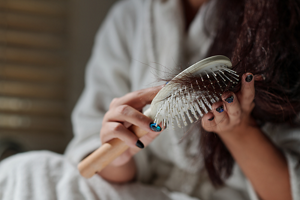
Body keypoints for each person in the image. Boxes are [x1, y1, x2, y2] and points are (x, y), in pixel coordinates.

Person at [0, 0, 299, 200]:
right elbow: (95, 170)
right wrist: (118, 151)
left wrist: (237, 129)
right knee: (22, 172)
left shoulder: (284, 28)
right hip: (139, 191)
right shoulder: (130, 16)